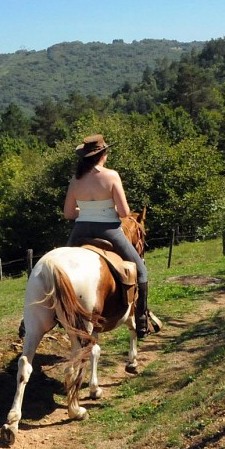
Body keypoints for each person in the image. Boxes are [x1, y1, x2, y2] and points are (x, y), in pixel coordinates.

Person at [63, 134, 151, 338]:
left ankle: (31, 319)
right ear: (103, 154)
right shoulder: (112, 176)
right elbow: (124, 212)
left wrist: (86, 211)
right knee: (141, 271)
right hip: (109, 230)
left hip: (80, 231)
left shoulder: (76, 180)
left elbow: (68, 214)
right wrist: (103, 210)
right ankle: (141, 319)